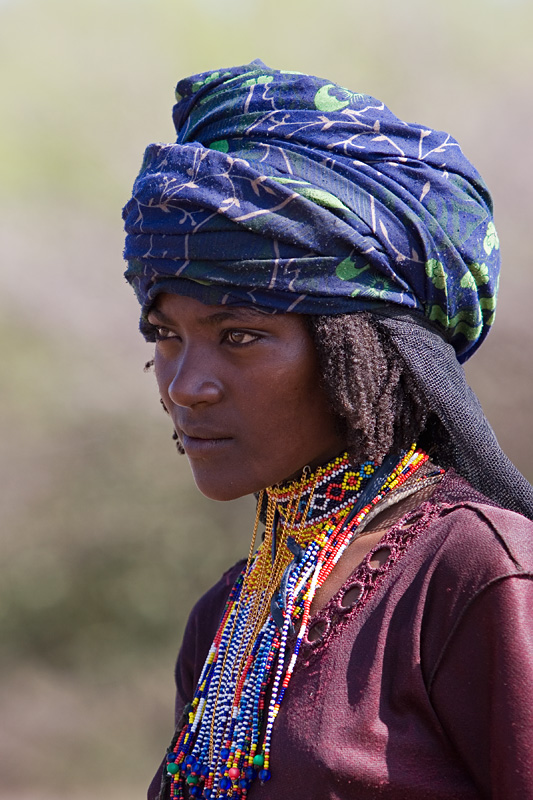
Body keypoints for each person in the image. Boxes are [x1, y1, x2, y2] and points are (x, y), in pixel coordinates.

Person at [122, 61, 533, 800]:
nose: (185, 385)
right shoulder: (228, 616)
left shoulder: (477, 574)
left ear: (361, 347)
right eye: (165, 334)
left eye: (240, 335)